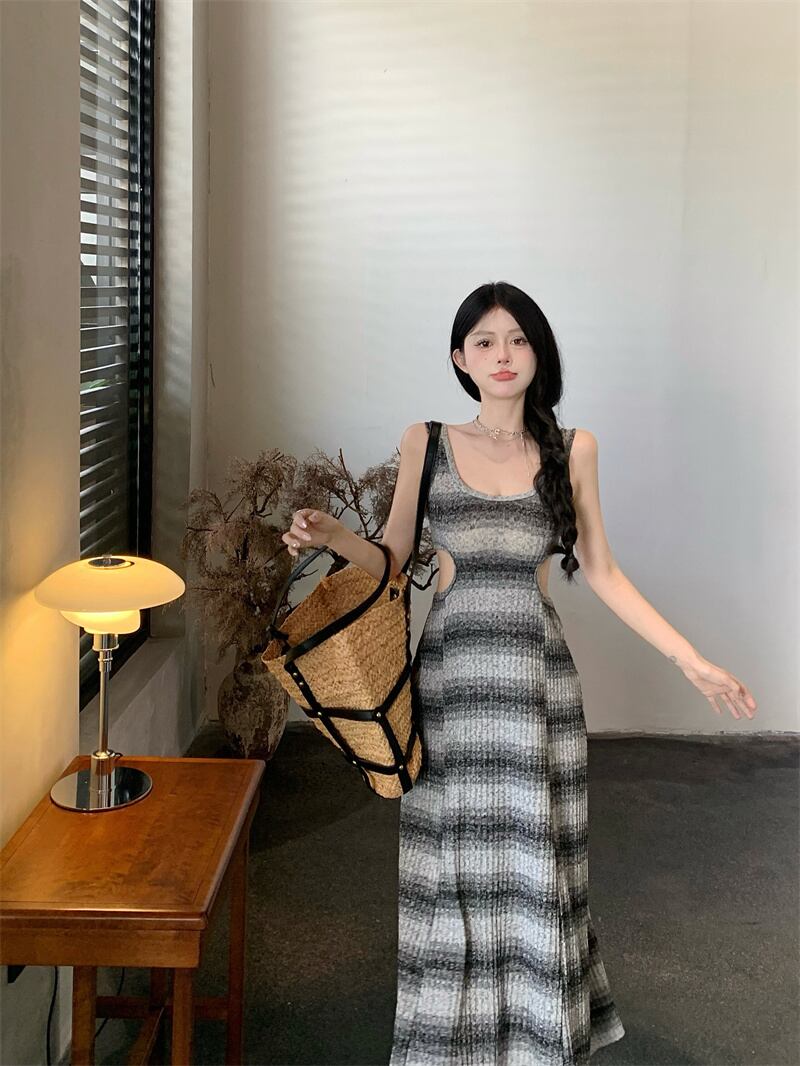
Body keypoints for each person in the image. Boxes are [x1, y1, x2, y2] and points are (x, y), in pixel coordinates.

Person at [281, 281, 758, 1065]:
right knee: (454, 867)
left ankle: (537, 1043)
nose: (502, 355)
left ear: (538, 352)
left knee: (538, 865)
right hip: (451, 685)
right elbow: (393, 560)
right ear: (460, 358)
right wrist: (335, 534)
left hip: (538, 689)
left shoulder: (574, 449)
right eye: (485, 341)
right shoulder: (426, 440)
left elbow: (602, 570)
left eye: (518, 339)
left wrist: (690, 658)